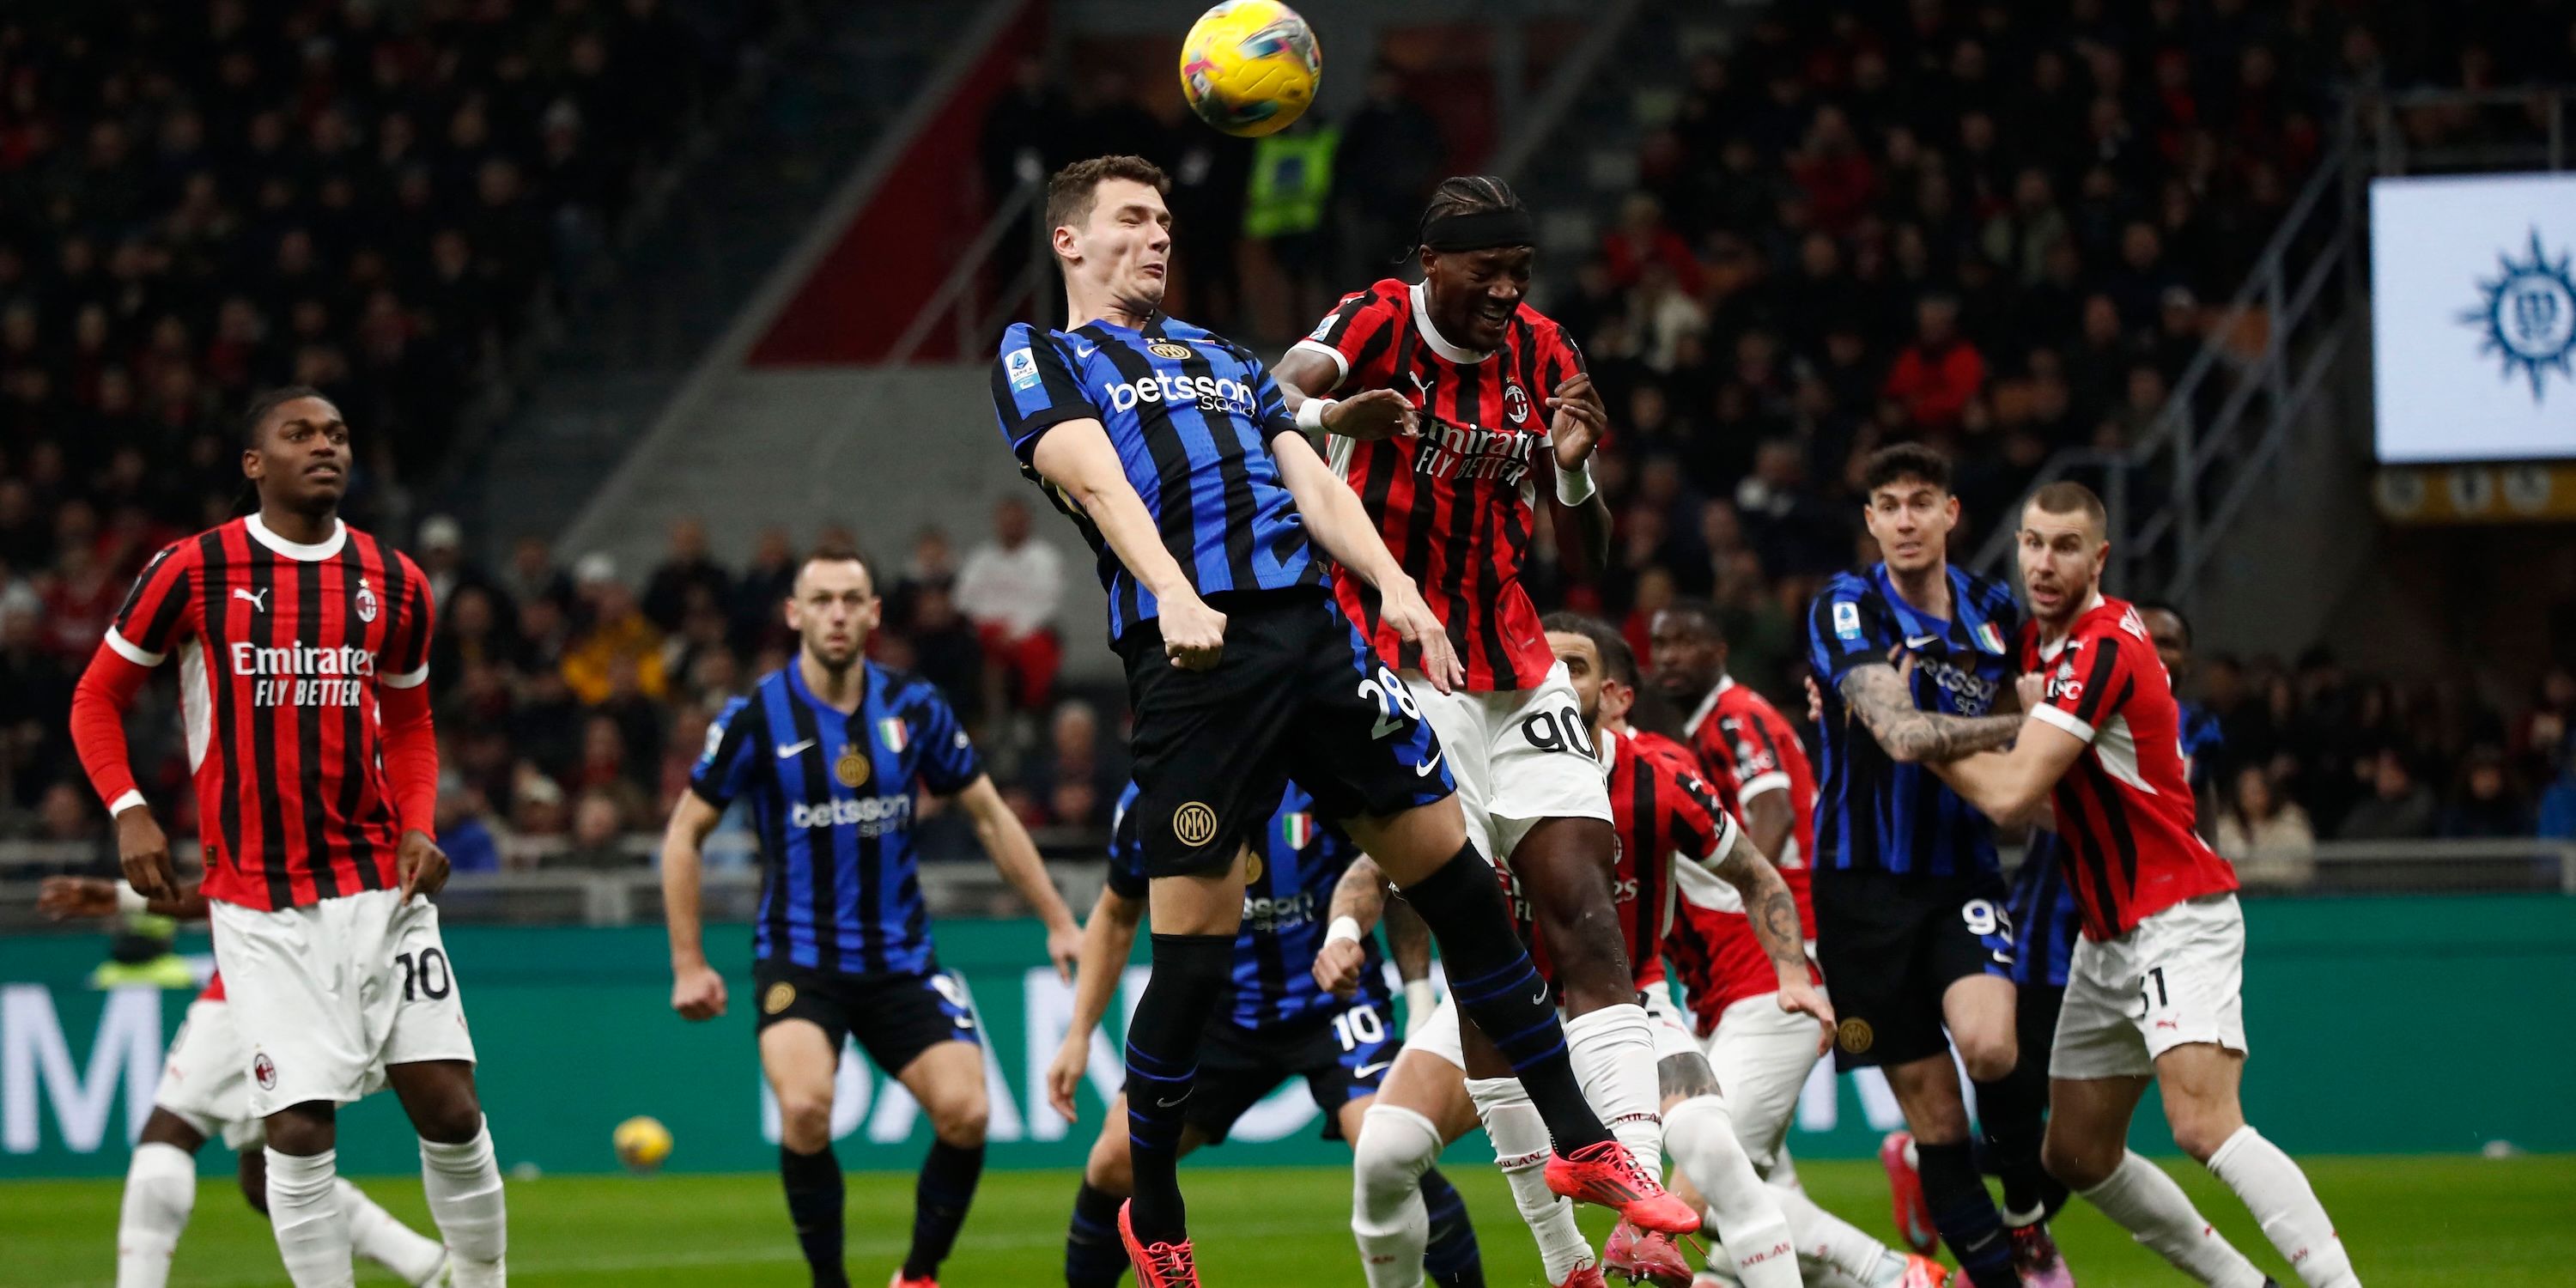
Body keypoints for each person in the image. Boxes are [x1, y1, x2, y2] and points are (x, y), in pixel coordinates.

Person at [989, 155, 1686, 1287]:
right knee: (1195, 963)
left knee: (1461, 887)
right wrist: (1171, 589)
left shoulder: (1219, 354)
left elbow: (1307, 471)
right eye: (1130, 220)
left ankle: (1587, 1143)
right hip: (1195, 658)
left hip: (1314, 639)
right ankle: (1153, 1208)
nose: (1157, 237)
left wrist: (1395, 586)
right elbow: (1091, 477)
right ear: (1070, 242)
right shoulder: (1043, 355)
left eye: (1164, 219)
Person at [1274, 176, 1684, 1269]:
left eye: (1521, 271)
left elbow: (1588, 555)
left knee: (1586, 914)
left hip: (1517, 658)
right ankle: (1564, 1257)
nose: (1507, 291)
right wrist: (1332, 418)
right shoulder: (1372, 322)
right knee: (1484, 938)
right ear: (1431, 265)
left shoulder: (1547, 350)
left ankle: (1635, 1194)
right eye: (1486, 271)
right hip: (1398, 656)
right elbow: (1276, 393)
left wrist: (1576, 473)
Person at [68, 386, 507, 1288]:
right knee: (297, 1135)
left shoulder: (395, 581)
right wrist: (128, 807)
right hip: (261, 907)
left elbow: (413, 725)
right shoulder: (193, 571)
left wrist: (419, 826)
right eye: (299, 434)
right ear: (254, 464)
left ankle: (479, 1280)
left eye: (339, 434)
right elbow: (96, 697)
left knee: (452, 1110)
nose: (325, 447)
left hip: (381, 889)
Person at [1925, 482, 2361, 1288]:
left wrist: (1916, 735)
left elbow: (2012, 797)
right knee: (2078, 1153)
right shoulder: (2040, 651)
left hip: (2177, 915)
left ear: (2099, 558)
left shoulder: (2102, 649)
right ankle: (2244, 1283)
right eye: (2032, 543)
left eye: (2064, 547)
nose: (2044, 563)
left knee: (2203, 1123)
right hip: (2108, 933)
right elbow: (2060, 813)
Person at [1351, 619, 1826, 1288]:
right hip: (1498, 999)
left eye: (1572, 667)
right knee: (1382, 1151)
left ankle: (1638, 1226)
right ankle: (1566, 1255)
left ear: (1615, 696)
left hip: (1629, 999)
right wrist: (1347, 933)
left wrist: (1794, 972)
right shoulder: (1465, 761)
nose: (1553, 680)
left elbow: (1755, 873)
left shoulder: (1661, 780)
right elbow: (1372, 872)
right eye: (1546, 663)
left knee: (1720, 1159)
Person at [659, 547, 1083, 1288]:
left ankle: (918, 1274)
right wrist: (689, 963)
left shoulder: (915, 705)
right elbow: (683, 834)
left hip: (902, 962)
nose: (837, 614)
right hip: (801, 960)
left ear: (874, 613)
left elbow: (988, 815)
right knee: (806, 1110)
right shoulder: (758, 716)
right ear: (794, 613)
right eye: (821, 600)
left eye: (852, 600)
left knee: (967, 1113)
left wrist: (1056, 918)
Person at [1803, 443, 2067, 1288]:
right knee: (1935, 1113)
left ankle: (2025, 1217)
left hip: (1961, 871)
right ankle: (2001, 1273)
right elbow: (1903, 736)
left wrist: (2030, 716)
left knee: (1993, 1048)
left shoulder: (1997, 609)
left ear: (1953, 514)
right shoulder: (1845, 607)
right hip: (1857, 890)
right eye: (1890, 505)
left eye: (1923, 502)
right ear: (1872, 521)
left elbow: (2058, 702)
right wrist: (2017, 723)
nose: (1907, 519)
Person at [1049, 781, 1485, 1288]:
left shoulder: (1324, 770)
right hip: (1219, 1013)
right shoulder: (1159, 790)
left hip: (1334, 1004)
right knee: (1112, 1163)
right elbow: (1117, 912)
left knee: (1388, 1153)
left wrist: (1417, 998)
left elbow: (1393, 874)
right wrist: (1079, 1034)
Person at [1650, 604, 1940, 1288]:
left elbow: (1772, 811)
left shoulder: (1734, 716)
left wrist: (1754, 900)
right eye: (1660, 644)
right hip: (1737, 973)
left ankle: (1900, 1277)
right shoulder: (1698, 734)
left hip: (1781, 950)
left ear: (1720, 648)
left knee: (1713, 1188)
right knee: (1746, 1219)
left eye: (1686, 640)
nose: (1670, 655)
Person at [37, 877, 452, 1288]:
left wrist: (123, 895)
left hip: (254, 985)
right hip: (329, 991)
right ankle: (428, 1265)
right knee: (265, 1175)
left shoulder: (260, 815)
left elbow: (232, 885)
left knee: (170, 1133)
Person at [954, 496, 1066, 710]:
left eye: (1016, 521)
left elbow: (1048, 602)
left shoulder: (1045, 558)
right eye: (1006, 521)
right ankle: (987, 715)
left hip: (1028, 633)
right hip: (988, 631)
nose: (1011, 526)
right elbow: (963, 600)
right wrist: (994, 627)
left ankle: (1031, 709)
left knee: (1040, 652)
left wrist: (1014, 632)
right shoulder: (981, 558)